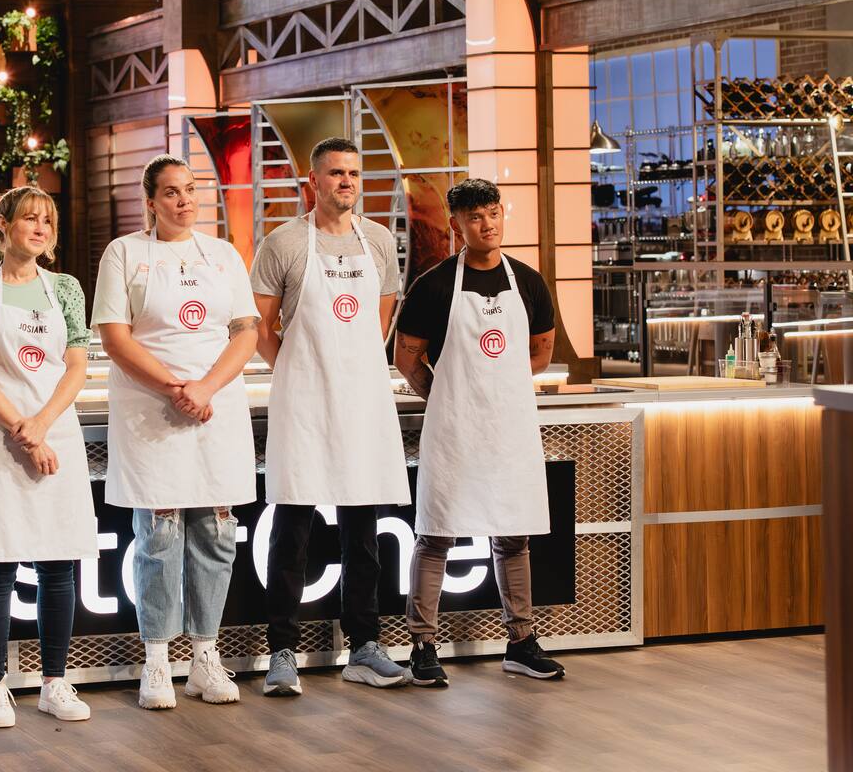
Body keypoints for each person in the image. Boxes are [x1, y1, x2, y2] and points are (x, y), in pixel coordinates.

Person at [92, 154, 259, 710]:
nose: (184, 200)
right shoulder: (124, 253)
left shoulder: (223, 254)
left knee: (216, 532)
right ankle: (158, 659)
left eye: (189, 189)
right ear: (151, 201)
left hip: (216, 408)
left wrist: (205, 389)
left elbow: (245, 332)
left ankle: (205, 656)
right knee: (158, 537)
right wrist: (174, 390)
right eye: (170, 192)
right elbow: (115, 337)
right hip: (151, 413)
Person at [250, 137, 413, 695]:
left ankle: (364, 647)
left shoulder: (380, 240)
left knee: (362, 532)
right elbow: (260, 326)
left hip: (362, 400)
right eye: (336, 173)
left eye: (353, 174)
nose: (346, 182)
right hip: (303, 401)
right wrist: (296, 369)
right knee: (291, 531)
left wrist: (349, 369)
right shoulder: (283, 242)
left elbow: (381, 318)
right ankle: (282, 651)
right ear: (313, 182)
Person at [394, 178, 565, 686]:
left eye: (493, 213)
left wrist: (498, 390)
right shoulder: (432, 286)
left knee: (514, 534)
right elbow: (406, 357)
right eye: (475, 217)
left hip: (510, 429)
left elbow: (542, 351)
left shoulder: (529, 282)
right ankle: (423, 646)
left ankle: (521, 642)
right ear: (457, 225)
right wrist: (448, 395)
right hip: (454, 429)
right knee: (436, 534)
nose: (487, 224)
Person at [0, 186, 98, 727]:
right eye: (29, 219)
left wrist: (42, 425)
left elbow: (77, 366)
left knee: (58, 567)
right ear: (3, 226)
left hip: (58, 434)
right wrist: (25, 432)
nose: (39, 228)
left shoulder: (66, 289)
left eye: (47, 221)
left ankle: (54, 683)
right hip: (1, 442)